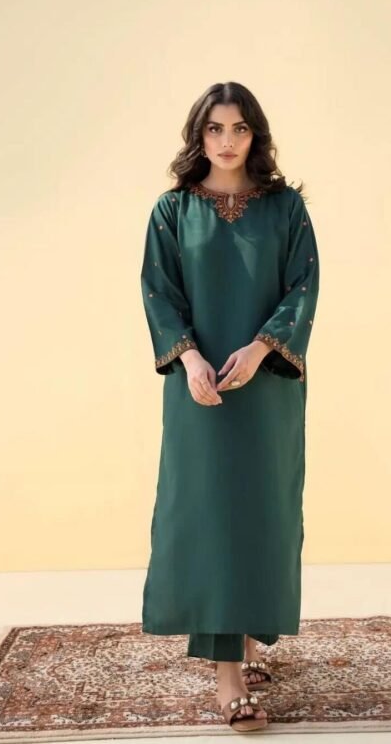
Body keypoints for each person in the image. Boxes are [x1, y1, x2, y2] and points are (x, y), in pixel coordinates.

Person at [139, 81, 320, 732]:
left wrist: (261, 347)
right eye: (214, 128)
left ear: (255, 134)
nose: (226, 141)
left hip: (267, 384)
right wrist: (190, 359)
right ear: (198, 135)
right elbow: (159, 293)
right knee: (210, 514)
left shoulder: (285, 209)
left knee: (263, 511)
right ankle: (227, 678)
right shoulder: (172, 211)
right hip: (201, 388)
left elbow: (302, 288)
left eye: (239, 128)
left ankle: (248, 638)